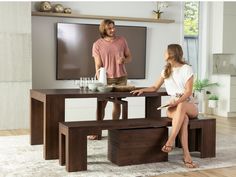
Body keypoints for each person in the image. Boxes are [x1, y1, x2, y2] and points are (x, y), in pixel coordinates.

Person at [131, 44, 199, 168]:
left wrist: (178, 102)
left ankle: (170, 140)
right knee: (183, 119)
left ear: (172, 54)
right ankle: (186, 155)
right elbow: (154, 87)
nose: (164, 54)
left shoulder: (186, 69)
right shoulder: (166, 70)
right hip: (173, 106)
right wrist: (142, 90)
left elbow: (188, 91)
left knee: (182, 106)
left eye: (166, 52)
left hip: (189, 104)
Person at [89, 19, 132, 140]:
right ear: (104, 29)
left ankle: (114, 130)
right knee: (101, 105)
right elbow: (97, 65)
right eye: (109, 28)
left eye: (113, 27)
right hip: (105, 79)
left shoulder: (122, 40)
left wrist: (124, 60)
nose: (113, 30)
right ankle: (97, 132)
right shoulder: (97, 44)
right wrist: (100, 81)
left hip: (121, 77)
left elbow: (129, 57)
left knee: (117, 103)